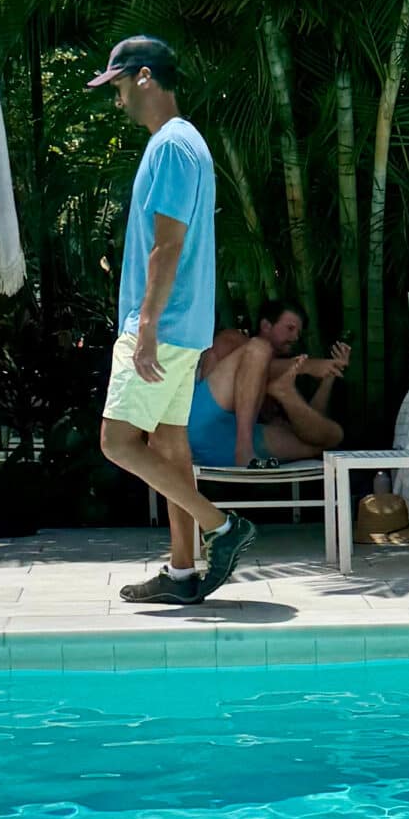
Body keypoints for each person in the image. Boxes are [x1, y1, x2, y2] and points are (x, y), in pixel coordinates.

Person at [88, 35, 258, 604]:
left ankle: (222, 527)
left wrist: (148, 327)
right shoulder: (186, 146)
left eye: (116, 86)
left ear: (143, 78)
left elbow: (168, 245)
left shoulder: (171, 147)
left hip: (162, 325)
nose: (115, 100)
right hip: (181, 325)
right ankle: (182, 574)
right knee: (168, 444)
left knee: (116, 441)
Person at [187, 300, 349, 469]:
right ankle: (244, 450)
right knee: (260, 348)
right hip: (202, 426)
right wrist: (309, 366)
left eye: (298, 333)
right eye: (290, 328)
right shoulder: (233, 339)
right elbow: (249, 362)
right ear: (266, 325)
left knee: (332, 436)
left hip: (228, 446)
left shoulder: (288, 370)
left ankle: (284, 392)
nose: (295, 338)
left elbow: (314, 430)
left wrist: (330, 374)